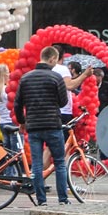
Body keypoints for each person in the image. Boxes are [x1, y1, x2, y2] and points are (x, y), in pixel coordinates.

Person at [14, 46, 70, 206]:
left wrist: (22, 122)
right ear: (52, 59)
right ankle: (63, 200)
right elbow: (63, 102)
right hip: (53, 125)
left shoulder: (25, 78)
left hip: (33, 127)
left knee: (37, 164)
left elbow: (17, 104)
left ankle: (41, 200)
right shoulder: (56, 78)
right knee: (59, 162)